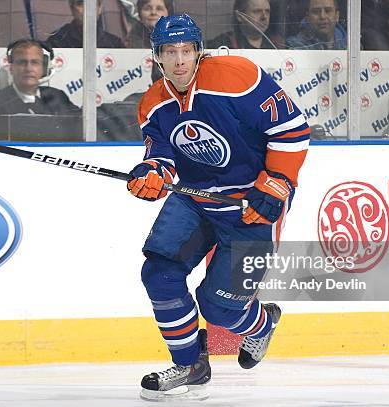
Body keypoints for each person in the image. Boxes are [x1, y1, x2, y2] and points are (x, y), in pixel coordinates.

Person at [128, 14, 309, 400]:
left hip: (251, 204)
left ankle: (260, 326)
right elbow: (161, 155)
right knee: (158, 275)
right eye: (170, 52)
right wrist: (151, 173)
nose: (179, 60)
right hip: (194, 199)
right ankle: (191, 364)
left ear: (198, 51)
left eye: (186, 51)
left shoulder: (237, 76)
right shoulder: (152, 104)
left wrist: (277, 183)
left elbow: (292, 129)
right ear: (157, 57)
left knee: (219, 309)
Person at [0, 39, 81, 139]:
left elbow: (78, 125)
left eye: (35, 62)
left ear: (43, 68)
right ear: (11, 67)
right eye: (22, 62)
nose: (28, 68)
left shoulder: (57, 96)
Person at [206, 0, 284, 49]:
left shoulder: (277, 45)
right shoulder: (224, 43)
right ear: (239, 16)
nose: (264, 17)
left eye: (267, 11)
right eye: (257, 11)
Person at [45, 0, 124, 48]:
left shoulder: (114, 43)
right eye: (80, 3)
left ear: (99, 8)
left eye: (92, 3)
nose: (87, 8)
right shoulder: (57, 41)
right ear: (72, 8)